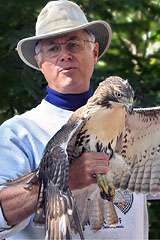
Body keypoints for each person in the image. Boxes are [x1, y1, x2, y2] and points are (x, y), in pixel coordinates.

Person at [0, 1, 150, 239]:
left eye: (73, 44)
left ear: (94, 52)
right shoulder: (18, 133)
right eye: (52, 49)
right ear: (40, 62)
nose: (65, 56)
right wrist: (62, 179)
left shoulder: (135, 122)